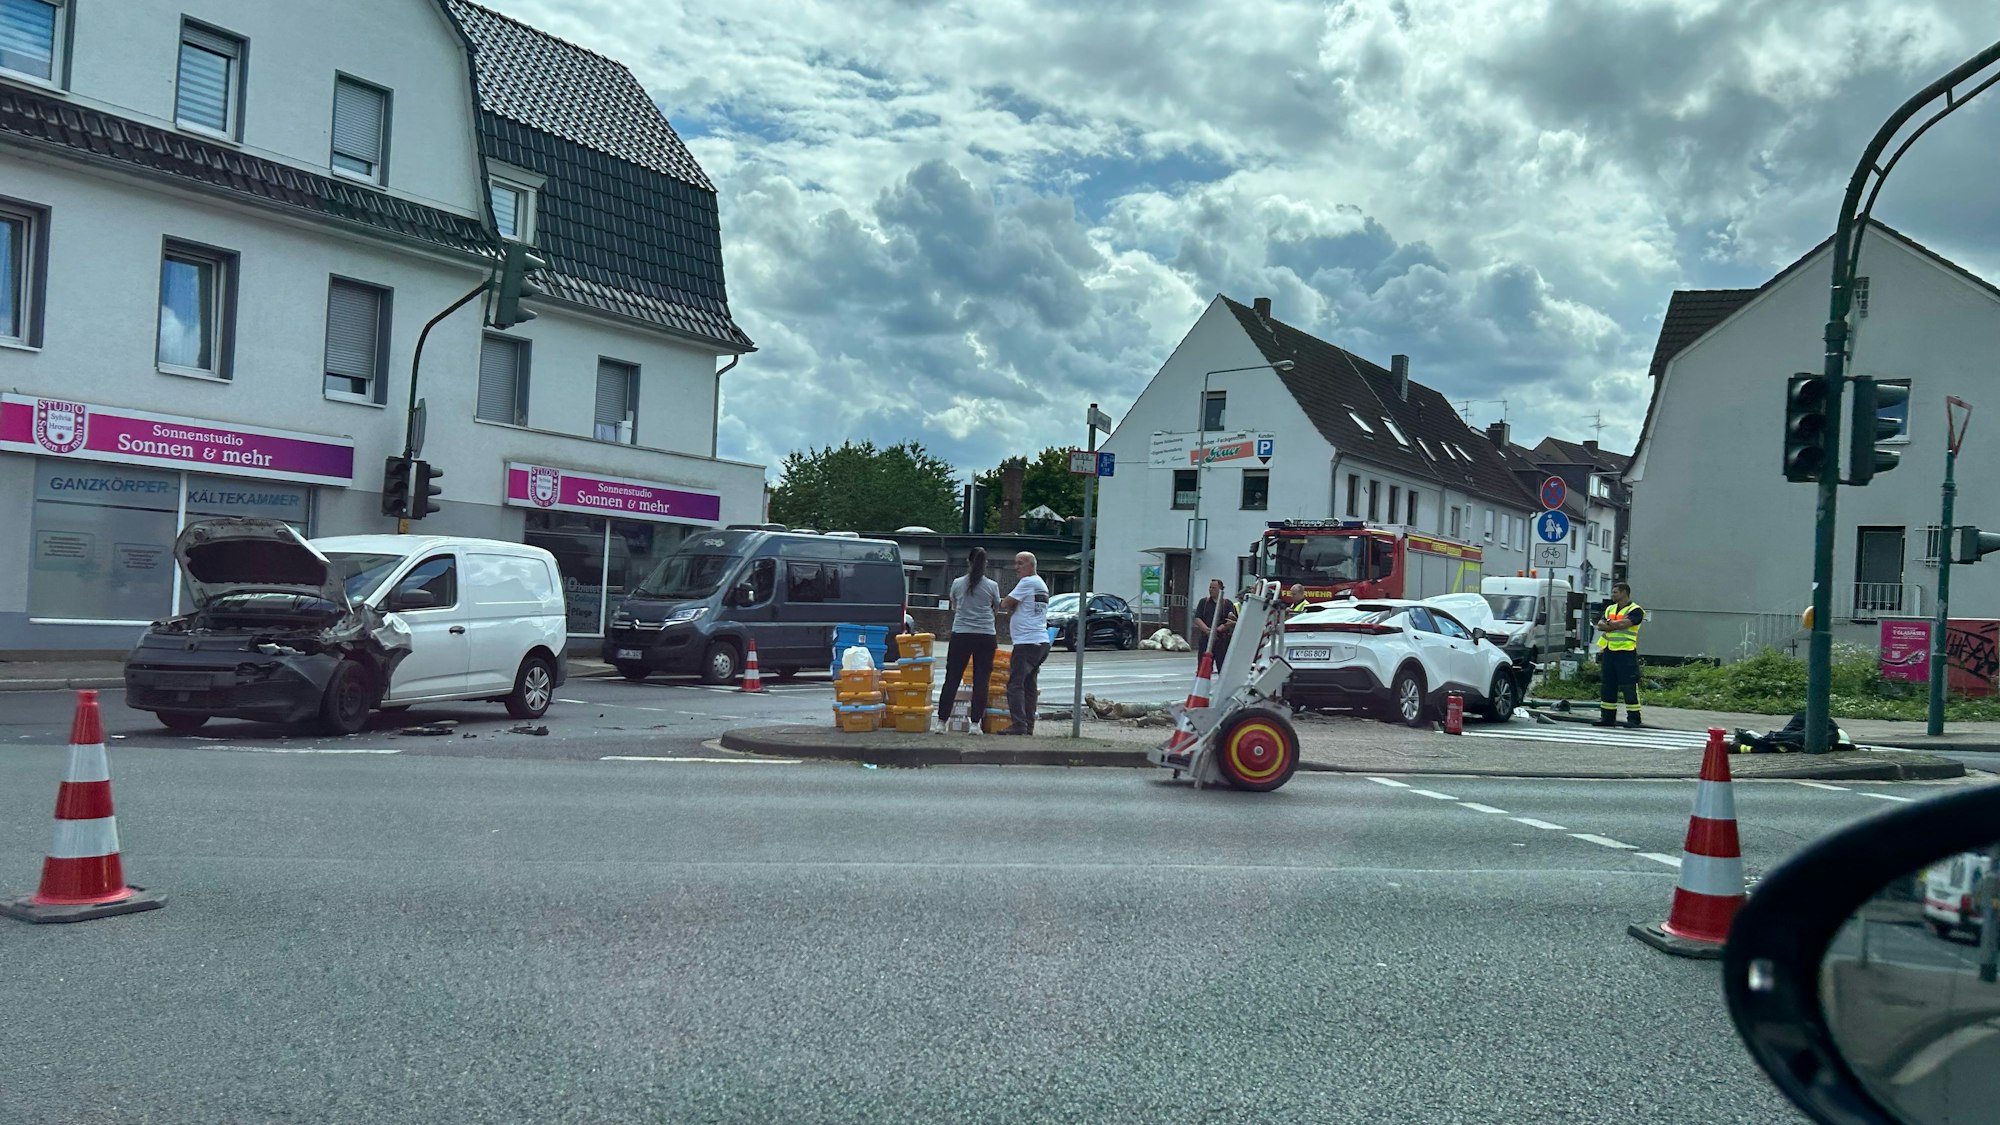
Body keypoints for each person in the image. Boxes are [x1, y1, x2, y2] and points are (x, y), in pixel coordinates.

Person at [935, 548, 1001, 732]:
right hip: (986, 635)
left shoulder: (957, 583)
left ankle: (941, 722)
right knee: (981, 679)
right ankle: (975, 724)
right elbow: (995, 608)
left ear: (968, 561)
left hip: (961, 633)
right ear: (985, 563)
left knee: (952, 677)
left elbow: (954, 605)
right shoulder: (992, 586)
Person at [997, 551, 1050, 736]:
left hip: (1027, 642)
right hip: (1041, 641)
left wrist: (1010, 604)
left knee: (1015, 685)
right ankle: (1028, 725)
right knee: (1029, 686)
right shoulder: (1041, 585)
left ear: (1031, 566)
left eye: (1021, 563)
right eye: (1015, 563)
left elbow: (1006, 603)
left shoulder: (1027, 582)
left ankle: (1019, 724)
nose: (1016, 567)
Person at [1594, 582, 1645, 728]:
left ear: (1624, 593)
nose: (1612, 595)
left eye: (1615, 592)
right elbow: (1600, 625)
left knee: (1628, 686)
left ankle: (1634, 719)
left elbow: (1625, 624)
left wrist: (1609, 623)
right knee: (1608, 685)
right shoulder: (1610, 608)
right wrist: (1614, 623)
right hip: (1609, 651)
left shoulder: (1636, 610)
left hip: (1626, 653)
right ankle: (1607, 718)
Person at [1192, 579, 1237, 663]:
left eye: (1214, 588)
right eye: (1210, 587)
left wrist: (1221, 628)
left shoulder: (1227, 603)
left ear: (1220, 590)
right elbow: (1197, 618)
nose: (1211, 590)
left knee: (1222, 666)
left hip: (1221, 640)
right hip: (1205, 639)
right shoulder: (1204, 602)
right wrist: (1207, 631)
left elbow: (1231, 621)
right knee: (1203, 665)